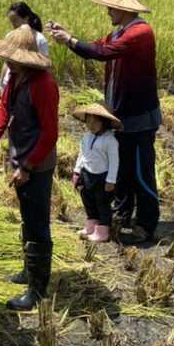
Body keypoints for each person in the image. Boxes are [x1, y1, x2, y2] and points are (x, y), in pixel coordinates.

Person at [47, 0, 161, 244]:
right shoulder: (120, 32)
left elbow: (102, 52)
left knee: (141, 171)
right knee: (120, 169)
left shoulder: (140, 33)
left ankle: (146, 223)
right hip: (120, 114)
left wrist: (71, 40)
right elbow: (97, 46)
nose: (108, 12)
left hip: (139, 117)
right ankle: (122, 214)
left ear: (123, 9)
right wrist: (69, 37)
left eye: (111, 8)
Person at [0, 25, 59, 312]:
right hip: (21, 155)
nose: (8, 63)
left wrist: (27, 166)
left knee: (38, 223)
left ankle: (37, 291)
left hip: (37, 163)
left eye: (13, 60)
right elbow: (5, 108)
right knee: (27, 218)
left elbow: (50, 133)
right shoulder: (16, 77)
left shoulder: (43, 85)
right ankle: (28, 270)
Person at [71, 102, 121, 245]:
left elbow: (114, 162)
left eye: (95, 121)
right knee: (88, 201)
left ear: (104, 123)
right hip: (87, 175)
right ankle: (91, 226)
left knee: (102, 204)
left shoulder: (110, 141)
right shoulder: (86, 137)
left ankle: (103, 231)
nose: (91, 124)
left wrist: (111, 180)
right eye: (88, 120)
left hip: (102, 178)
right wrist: (77, 171)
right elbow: (82, 154)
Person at [0, 2, 49, 94]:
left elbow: (44, 65)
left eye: (15, 20)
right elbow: (6, 62)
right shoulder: (10, 36)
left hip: (28, 87)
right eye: (11, 21)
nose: (13, 24)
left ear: (26, 18)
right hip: (9, 84)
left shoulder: (39, 39)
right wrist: (1, 85)